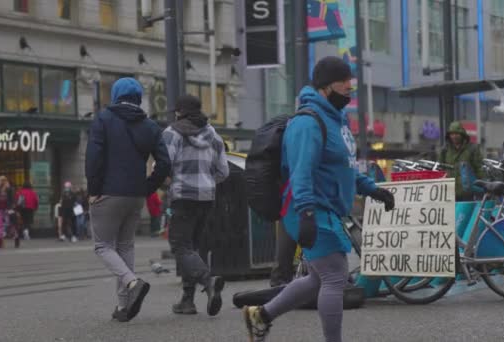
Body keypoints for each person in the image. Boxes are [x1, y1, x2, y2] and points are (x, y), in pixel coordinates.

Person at [242, 57, 394, 342]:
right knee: (336, 276)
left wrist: (373, 189)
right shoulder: (306, 123)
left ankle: (260, 316)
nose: (349, 89)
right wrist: (307, 214)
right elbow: (301, 174)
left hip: (325, 210)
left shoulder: (338, 121)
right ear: (325, 88)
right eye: (343, 84)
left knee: (316, 280)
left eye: (350, 83)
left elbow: (344, 169)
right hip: (310, 209)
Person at [86, 77, 171, 322]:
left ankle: (133, 283)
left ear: (115, 95)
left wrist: (94, 189)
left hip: (108, 192)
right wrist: (147, 187)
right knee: (125, 246)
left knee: (103, 245)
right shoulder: (150, 125)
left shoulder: (103, 119)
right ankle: (124, 306)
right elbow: (164, 163)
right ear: (138, 97)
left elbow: (94, 156)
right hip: (135, 195)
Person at [162, 94, 229, 316]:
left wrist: (167, 183)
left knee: (181, 247)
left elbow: (164, 166)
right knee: (193, 248)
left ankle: (208, 281)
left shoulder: (172, 133)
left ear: (179, 112)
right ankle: (187, 301)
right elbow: (223, 172)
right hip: (207, 199)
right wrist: (207, 183)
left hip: (183, 198)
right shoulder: (213, 135)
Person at [438, 121, 484, 201]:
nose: (454, 136)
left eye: (456, 134)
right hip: (450, 191)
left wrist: (482, 185)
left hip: (467, 191)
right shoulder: (445, 150)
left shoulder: (472, 149)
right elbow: (440, 168)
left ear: (462, 134)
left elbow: (479, 168)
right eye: (452, 134)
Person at [0, 176, 14, 249]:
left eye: (3, 180)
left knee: (9, 225)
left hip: (7, 210)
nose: (2, 182)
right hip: (0, 210)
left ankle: (16, 239)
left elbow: (12, 199)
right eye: (1, 180)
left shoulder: (9, 189)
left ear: (6, 181)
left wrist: (11, 208)